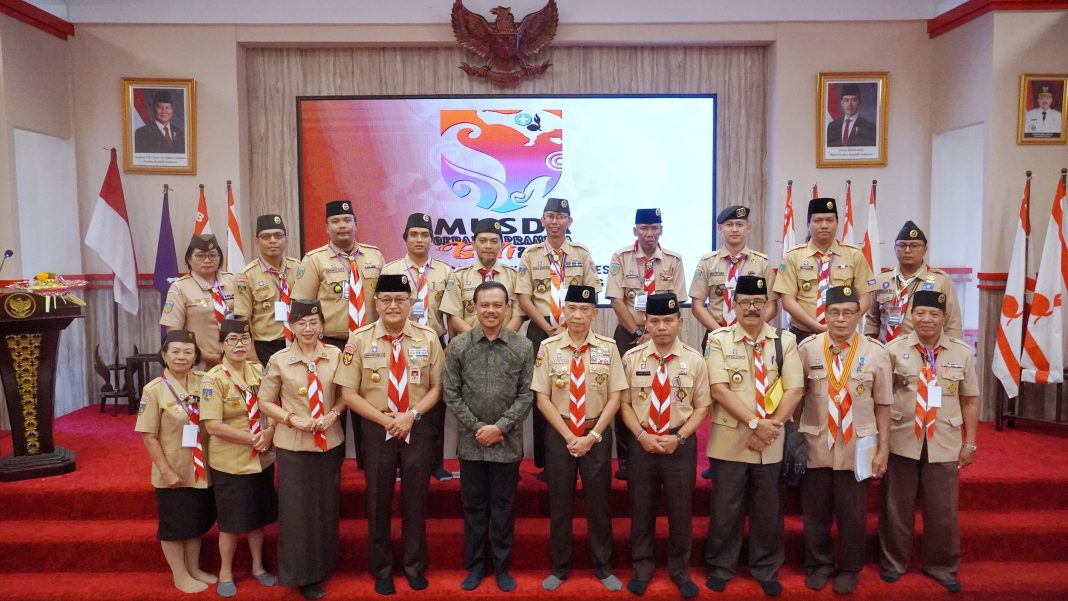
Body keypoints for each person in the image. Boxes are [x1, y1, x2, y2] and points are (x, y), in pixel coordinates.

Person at [336, 274, 444, 596]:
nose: (393, 306)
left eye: (400, 299)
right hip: (376, 427)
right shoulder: (358, 339)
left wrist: (411, 416)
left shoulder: (428, 337)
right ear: (376, 303)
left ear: (411, 303)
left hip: (416, 426)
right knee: (377, 501)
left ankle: (414, 566)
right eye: (386, 300)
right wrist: (385, 420)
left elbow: (438, 387)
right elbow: (349, 393)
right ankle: (381, 568)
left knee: (416, 500)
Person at [703, 276, 804, 597]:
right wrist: (754, 424)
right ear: (734, 305)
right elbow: (718, 389)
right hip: (731, 440)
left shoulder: (784, 341)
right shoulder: (718, 339)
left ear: (768, 307)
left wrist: (770, 427)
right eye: (745, 302)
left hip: (770, 442)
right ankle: (720, 567)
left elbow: (795, 389)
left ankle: (766, 567)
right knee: (726, 508)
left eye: (758, 302)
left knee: (767, 510)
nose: (752, 308)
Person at [879, 290, 980, 593]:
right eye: (920, 313)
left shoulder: (961, 353)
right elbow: (881, 399)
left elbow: (970, 400)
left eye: (934, 314)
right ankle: (893, 563)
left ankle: (941, 566)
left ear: (944, 317)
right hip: (902, 437)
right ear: (911, 315)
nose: (927, 319)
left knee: (943, 510)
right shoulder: (893, 350)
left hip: (943, 440)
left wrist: (970, 443)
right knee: (896, 507)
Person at [796, 285, 892, 594]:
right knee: (816, 512)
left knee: (853, 513)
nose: (841, 319)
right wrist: (795, 437)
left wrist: (883, 450)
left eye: (848, 313)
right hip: (817, 444)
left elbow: (883, 405)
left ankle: (850, 568)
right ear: (824, 314)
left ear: (858, 315)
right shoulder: (808, 349)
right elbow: (796, 398)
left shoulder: (876, 352)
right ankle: (818, 564)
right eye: (835, 312)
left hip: (857, 446)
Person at [532, 285, 626, 592]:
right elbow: (542, 398)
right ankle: (560, 568)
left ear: (594, 313)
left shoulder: (608, 347)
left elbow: (615, 397)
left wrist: (593, 436)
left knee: (599, 504)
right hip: (560, 434)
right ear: (563, 311)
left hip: (595, 434)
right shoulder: (548, 347)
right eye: (571, 308)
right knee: (560, 504)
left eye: (584, 309)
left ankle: (603, 567)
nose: (577, 315)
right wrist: (569, 435)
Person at [443, 281, 534, 593]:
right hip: (472, 444)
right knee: (474, 508)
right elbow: (451, 393)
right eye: (485, 305)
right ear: (474, 308)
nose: (491, 310)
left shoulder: (522, 347)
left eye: (497, 305)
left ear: (507, 308)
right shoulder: (459, 346)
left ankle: (501, 567)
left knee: (504, 508)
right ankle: (476, 566)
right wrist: (478, 427)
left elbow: (526, 395)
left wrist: (501, 427)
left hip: (507, 444)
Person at [619, 293, 711, 599]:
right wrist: (641, 435)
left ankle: (680, 571)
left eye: (668, 320)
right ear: (646, 322)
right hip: (642, 443)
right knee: (641, 509)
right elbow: (624, 404)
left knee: (681, 512)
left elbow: (702, 407)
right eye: (655, 321)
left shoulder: (695, 361)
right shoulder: (631, 359)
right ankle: (642, 568)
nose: (661, 327)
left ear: (680, 322)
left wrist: (679, 437)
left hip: (679, 444)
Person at [256, 300, 345, 601]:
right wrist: (291, 419)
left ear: (322, 325)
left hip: (329, 442)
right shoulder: (280, 360)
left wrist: (333, 415)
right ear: (291, 326)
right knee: (297, 513)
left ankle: (324, 564)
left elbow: (345, 395)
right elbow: (265, 401)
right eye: (301, 323)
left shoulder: (335, 355)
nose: (308, 328)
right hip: (294, 446)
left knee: (325, 508)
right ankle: (301, 574)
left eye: (313, 322)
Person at [292, 199, 384, 466]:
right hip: (333, 344)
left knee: (370, 403)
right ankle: (334, 463)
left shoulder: (374, 256)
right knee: (333, 405)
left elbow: (385, 299)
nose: (342, 226)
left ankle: (370, 464)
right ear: (327, 227)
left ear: (356, 224)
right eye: (335, 221)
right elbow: (301, 307)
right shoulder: (314, 260)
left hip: (369, 342)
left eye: (347, 220)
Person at [517, 197, 601, 481]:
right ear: (542, 220)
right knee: (543, 393)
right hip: (541, 330)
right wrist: (548, 327)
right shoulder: (530, 255)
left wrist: (570, 323)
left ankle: (578, 451)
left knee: (576, 387)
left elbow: (592, 291)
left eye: (560, 217)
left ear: (569, 221)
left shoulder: (581, 253)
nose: (555, 222)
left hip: (575, 328)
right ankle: (547, 462)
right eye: (550, 216)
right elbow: (524, 297)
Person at [690, 205, 777, 479]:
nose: (735, 229)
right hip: (716, 335)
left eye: (740, 225)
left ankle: (752, 447)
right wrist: (720, 332)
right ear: (720, 229)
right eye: (729, 225)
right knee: (717, 396)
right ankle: (718, 459)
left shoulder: (761, 263)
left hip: (754, 337)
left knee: (750, 390)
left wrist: (752, 326)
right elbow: (697, 304)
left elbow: (772, 304)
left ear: (748, 228)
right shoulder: (708, 262)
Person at [134, 330, 217, 594]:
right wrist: (166, 471)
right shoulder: (154, 390)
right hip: (174, 468)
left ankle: (193, 568)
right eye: (176, 352)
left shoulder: (205, 381)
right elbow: (148, 436)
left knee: (195, 521)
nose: (182, 357)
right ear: (164, 355)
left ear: (195, 356)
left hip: (201, 467)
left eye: (188, 352)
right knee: (174, 525)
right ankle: (180, 575)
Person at [606, 208, 686, 481]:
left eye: (654, 228)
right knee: (625, 394)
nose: (649, 233)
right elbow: (616, 299)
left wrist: (652, 332)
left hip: (663, 335)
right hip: (628, 334)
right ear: (635, 230)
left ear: (661, 230)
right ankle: (627, 459)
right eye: (644, 228)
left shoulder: (674, 260)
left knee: (662, 390)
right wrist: (638, 330)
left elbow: (677, 301)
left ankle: (663, 452)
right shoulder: (621, 257)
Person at [200, 319, 279, 597]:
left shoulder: (258, 370)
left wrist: (270, 431)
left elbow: (273, 406)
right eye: (232, 340)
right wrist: (253, 439)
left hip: (262, 457)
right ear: (222, 344)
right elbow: (213, 426)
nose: (239, 345)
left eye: (245, 339)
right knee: (231, 523)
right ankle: (225, 572)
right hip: (231, 461)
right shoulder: (213, 378)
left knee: (258, 517)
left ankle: (258, 567)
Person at [381, 212, 454, 482]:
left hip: (435, 343)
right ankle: (400, 462)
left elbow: (451, 313)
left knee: (435, 403)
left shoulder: (445, 271)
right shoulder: (391, 270)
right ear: (405, 238)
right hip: (398, 341)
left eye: (425, 235)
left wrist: (450, 345)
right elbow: (382, 310)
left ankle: (435, 462)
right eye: (414, 234)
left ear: (432, 239)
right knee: (400, 399)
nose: (419, 239)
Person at [774, 198, 876, 343]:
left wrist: (849, 321)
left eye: (830, 220)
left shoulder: (854, 255)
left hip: (844, 333)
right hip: (802, 333)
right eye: (818, 221)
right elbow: (788, 301)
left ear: (837, 223)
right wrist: (816, 326)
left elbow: (865, 297)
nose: (824, 225)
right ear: (808, 224)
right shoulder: (793, 256)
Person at [864, 221, 962, 343]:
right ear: (895, 248)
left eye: (914, 245)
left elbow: (953, 324)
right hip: (886, 349)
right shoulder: (881, 280)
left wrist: (953, 351)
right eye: (902, 245)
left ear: (925, 249)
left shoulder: (941, 281)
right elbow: (872, 321)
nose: (907, 250)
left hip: (923, 350)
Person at [234, 214, 301, 365]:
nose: (273, 240)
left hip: (299, 342)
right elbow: (243, 320)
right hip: (265, 347)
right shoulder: (246, 276)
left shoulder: (299, 268)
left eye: (278, 236)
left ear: (286, 239)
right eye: (266, 237)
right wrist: (253, 358)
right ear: (257, 241)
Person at [161, 233, 236, 366]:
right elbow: (175, 334)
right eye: (200, 255)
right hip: (199, 363)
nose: (207, 260)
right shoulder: (180, 288)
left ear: (220, 258)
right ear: (189, 259)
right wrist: (206, 356)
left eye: (212, 255)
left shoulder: (232, 281)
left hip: (235, 360)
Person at [440, 217, 524, 334]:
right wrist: (478, 339)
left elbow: (519, 315)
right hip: (470, 342)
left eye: (494, 241)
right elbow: (454, 317)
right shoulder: (459, 276)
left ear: (502, 245)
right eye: (483, 241)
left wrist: (501, 339)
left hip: (507, 342)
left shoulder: (514, 276)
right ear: (473, 244)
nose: (488, 246)